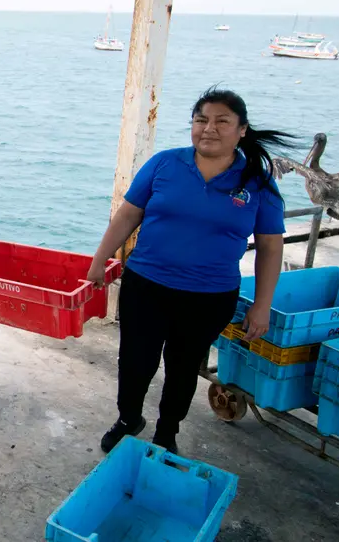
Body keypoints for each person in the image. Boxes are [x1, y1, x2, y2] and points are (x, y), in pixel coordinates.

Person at [87, 87, 287, 455]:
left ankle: (167, 432)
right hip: (146, 287)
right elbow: (129, 213)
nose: (208, 128)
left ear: (242, 130)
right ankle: (129, 418)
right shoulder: (165, 164)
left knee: (181, 370)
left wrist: (262, 305)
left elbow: (272, 247)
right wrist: (100, 260)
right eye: (201, 120)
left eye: (222, 121)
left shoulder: (257, 182)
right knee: (135, 362)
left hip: (209, 297)